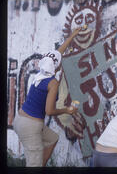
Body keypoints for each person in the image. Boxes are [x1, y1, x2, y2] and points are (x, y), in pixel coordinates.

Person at [13, 27, 82, 167]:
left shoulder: (42, 73)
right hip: (30, 126)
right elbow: (49, 111)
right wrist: (67, 111)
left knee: (52, 139)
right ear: (56, 66)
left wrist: (73, 35)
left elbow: (58, 53)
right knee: (33, 165)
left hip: (20, 119)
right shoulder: (53, 82)